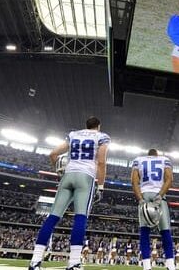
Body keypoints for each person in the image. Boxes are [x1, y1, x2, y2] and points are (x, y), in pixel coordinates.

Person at [28, 116, 110, 270]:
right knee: (80, 218)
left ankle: (35, 260)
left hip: (68, 175)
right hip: (86, 177)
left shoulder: (73, 134)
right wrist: (101, 186)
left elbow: (53, 154)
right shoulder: (102, 137)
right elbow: (101, 162)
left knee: (52, 217)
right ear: (98, 126)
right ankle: (73, 262)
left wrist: (60, 172)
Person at [131, 148, 176, 270]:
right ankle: (171, 266)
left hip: (145, 194)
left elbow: (134, 182)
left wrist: (140, 199)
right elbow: (169, 179)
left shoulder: (138, 160)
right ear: (157, 155)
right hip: (159, 195)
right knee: (165, 231)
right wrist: (160, 195)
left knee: (144, 232)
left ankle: (146, 266)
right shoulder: (164, 160)